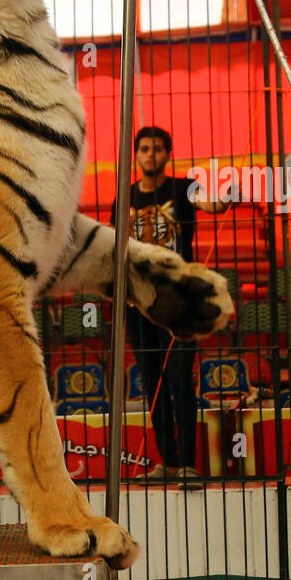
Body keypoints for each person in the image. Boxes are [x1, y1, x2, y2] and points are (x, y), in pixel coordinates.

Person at [112, 126, 229, 490]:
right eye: (145, 149)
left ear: (168, 153)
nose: (151, 154)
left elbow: (215, 204)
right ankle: (169, 461)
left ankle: (189, 465)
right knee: (153, 383)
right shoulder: (124, 197)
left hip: (181, 303)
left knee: (180, 380)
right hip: (140, 303)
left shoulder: (183, 187)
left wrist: (230, 192)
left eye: (158, 148)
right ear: (137, 154)